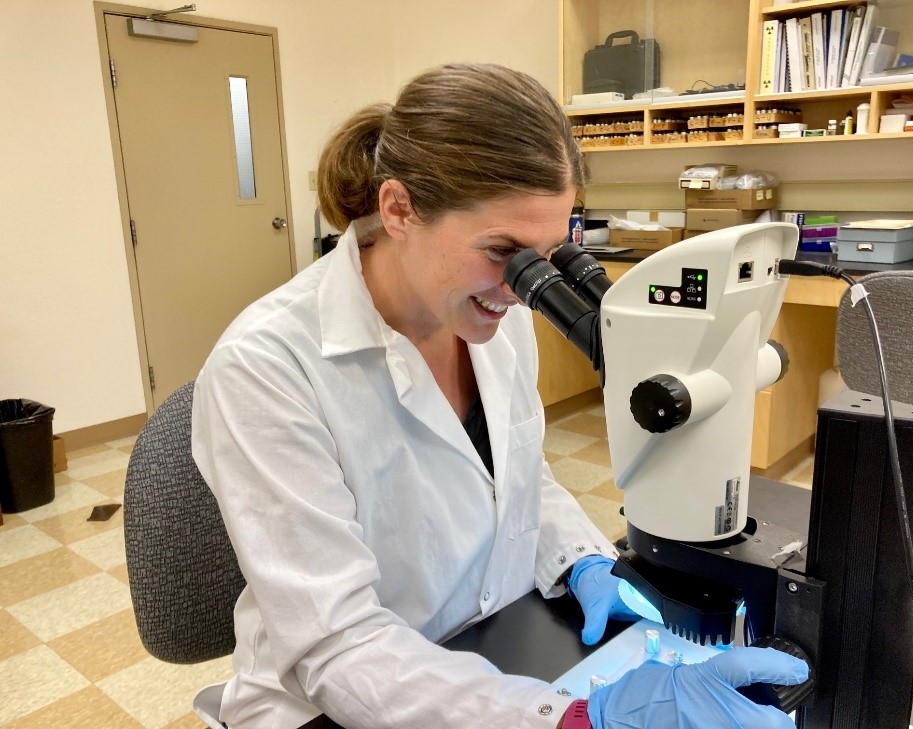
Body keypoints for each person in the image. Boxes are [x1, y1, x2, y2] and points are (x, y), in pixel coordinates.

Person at [191, 62, 807, 729]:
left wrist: (582, 563)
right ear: (398, 209)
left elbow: (520, 476)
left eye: (544, 255)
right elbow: (337, 643)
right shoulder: (267, 367)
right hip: (334, 700)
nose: (523, 287)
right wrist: (578, 720)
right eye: (502, 251)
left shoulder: (495, 318)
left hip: (493, 645)